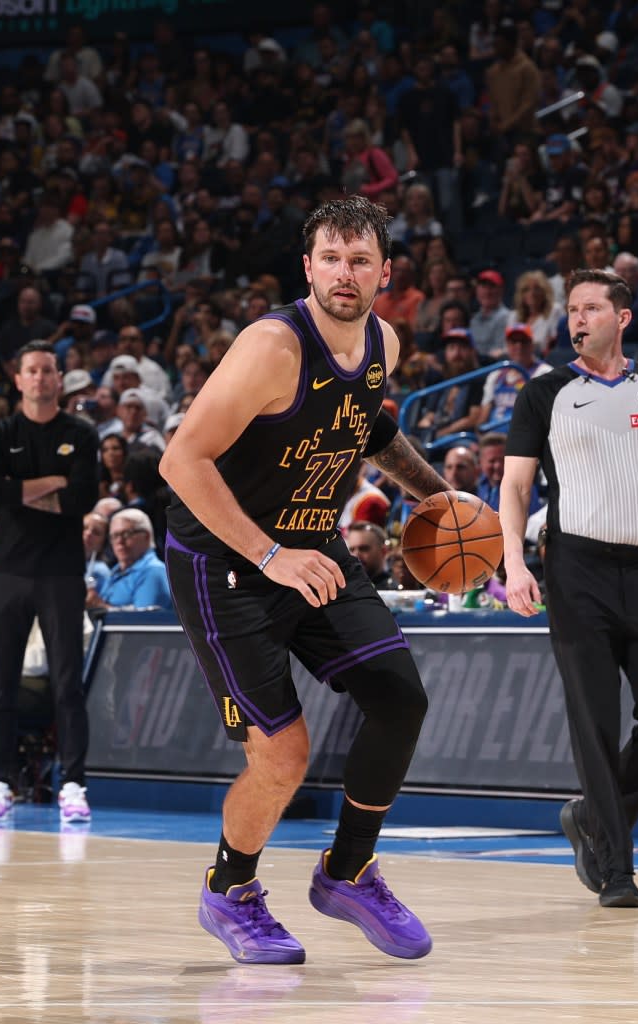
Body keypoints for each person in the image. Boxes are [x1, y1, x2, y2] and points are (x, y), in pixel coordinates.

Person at [159, 196, 450, 966]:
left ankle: (347, 870)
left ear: (385, 272)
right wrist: (267, 557)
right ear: (307, 267)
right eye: (330, 257)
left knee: (400, 697)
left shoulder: (382, 339)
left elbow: (369, 427)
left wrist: (437, 497)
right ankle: (230, 890)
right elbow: (180, 461)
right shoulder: (271, 348)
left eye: (359, 260)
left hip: (310, 545)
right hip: (226, 560)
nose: (343, 274)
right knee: (283, 753)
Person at [499, 268, 638, 909]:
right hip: (575, 572)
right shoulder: (544, 393)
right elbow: (515, 488)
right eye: (572, 309)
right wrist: (515, 563)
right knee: (595, 723)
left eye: (592, 308)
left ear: (623, 318)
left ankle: (594, 821)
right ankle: (616, 869)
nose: (577, 319)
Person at [0, 341, 98, 824]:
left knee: (68, 683)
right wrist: (52, 481)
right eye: (31, 371)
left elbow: (81, 500)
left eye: (47, 371)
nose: (39, 379)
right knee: (0, 683)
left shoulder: (81, 433)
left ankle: (73, 783)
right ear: (18, 379)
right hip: (8, 571)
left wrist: (21, 492)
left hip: (61, 572)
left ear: (58, 377)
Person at [86, 508, 172, 611]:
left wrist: (100, 606)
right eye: (114, 536)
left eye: (127, 533)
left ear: (146, 536)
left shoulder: (153, 571)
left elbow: (144, 623)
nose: (119, 541)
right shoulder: (115, 571)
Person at [345, 521, 395, 589]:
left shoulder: (396, 592)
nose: (356, 555)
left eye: (364, 549)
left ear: (383, 551)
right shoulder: (344, 589)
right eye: (352, 550)